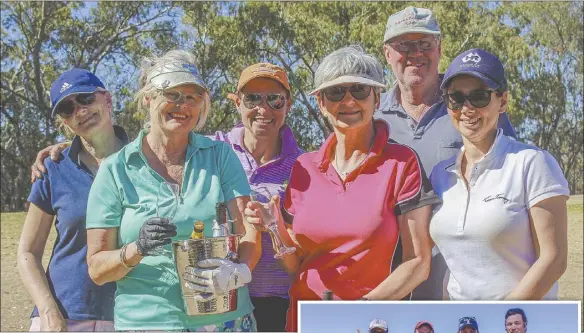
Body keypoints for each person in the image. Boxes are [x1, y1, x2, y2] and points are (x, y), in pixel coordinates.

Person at [245, 45, 439, 332]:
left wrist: (359, 314)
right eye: (335, 93)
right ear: (321, 103)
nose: (348, 100)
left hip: (371, 324)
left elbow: (418, 263)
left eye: (359, 90)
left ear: (377, 97)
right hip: (304, 322)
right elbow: (296, 263)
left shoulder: (402, 162)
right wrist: (274, 228)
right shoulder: (303, 167)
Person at [84, 50, 261, 331]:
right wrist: (135, 249)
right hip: (148, 322)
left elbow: (249, 230)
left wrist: (241, 271)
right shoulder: (115, 169)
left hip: (224, 319)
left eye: (192, 97)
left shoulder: (220, 156)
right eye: (172, 94)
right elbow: (96, 268)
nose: (183, 105)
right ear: (148, 98)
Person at [375, 6, 517, 300]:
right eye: (404, 45)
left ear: (439, 48)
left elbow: (511, 179)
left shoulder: (473, 108)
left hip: (462, 282)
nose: (416, 53)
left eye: (425, 43)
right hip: (391, 280)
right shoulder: (373, 120)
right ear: (387, 53)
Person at [430, 48, 569, 300]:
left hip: (519, 322)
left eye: (480, 97)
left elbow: (554, 259)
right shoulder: (441, 176)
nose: (467, 108)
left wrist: (501, 319)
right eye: (456, 98)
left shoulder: (532, 163)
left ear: (502, 102)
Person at [17, 69, 127, 331]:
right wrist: (48, 312)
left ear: (107, 99)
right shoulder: (53, 168)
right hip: (62, 316)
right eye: (67, 108)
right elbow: (27, 252)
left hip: (129, 314)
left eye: (86, 99)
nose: (79, 111)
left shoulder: (145, 162)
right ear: (64, 121)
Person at [214, 63, 303, 332]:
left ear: (287, 105)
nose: (263, 110)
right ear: (237, 103)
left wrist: (276, 224)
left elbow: (303, 254)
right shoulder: (213, 150)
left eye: (274, 100)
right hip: (222, 301)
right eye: (253, 98)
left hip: (281, 304)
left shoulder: (305, 166)